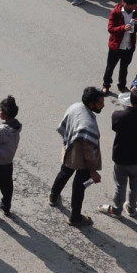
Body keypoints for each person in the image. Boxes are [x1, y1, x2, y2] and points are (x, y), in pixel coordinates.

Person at [49, 87, 104, 227]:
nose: (103, 105)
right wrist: (93, 172)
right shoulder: (88, 125)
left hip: (70, 151)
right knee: (79, 187)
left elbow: (64, 126)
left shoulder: (75, 106)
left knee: (64, 172)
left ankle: (53, 197)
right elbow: (89, 154)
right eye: (100, 103)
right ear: (91, 104)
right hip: (83, 160)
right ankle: (75, 217)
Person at [98, 88, 137, 218]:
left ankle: (117, 209)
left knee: (120, 185)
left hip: (121, 157)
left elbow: (114, 127)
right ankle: (132, 208)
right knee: (136, 186)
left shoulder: (118, 115)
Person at [102, 0, 137, 95]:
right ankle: (106, 85)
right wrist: (123, 28)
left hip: (128, 47)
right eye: (128, 5)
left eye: (133, 5)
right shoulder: (116, 12)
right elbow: (110, 28)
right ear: (123, 3)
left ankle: (121, 85)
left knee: (124, 68)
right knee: (110, 67)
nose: (130, 7)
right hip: (116, 46)